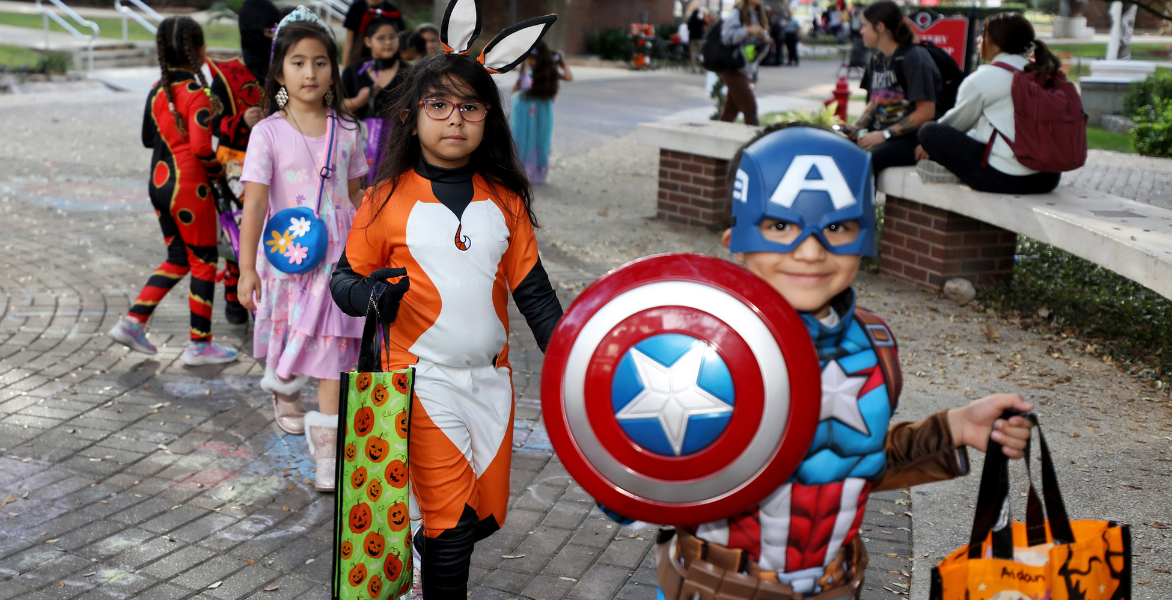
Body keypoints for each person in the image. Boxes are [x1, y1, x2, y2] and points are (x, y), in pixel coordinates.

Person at [641, 124, 1038, 598]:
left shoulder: (872, 343)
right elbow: (632, 484)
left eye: (834, 227)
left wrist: (954, 427)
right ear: (736, 236)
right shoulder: (695, 347)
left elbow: (846, 462)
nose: (810, 251)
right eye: (781, 226)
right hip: (714, 587)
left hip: (837, 584)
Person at [329, 6, 564, 595]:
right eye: (439, 105)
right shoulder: (384, 199)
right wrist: (371, 293)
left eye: (470, 107)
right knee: (453, 524)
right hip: (419, 381)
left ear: (488, 118)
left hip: (492, 385)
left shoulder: (506, 200)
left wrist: (578, 361)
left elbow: (535, 296)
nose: (454, 120)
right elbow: (343, 283)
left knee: (478, 519)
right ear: (412, 116)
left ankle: (421, 546)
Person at [236, 7, 369, 491]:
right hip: (288, 257)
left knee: (335, 355)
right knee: (294, 344)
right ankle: (285, 384)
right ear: (279, 72)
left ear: (333, 69)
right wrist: (246, 270)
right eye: (297, 62)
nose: (309, 72)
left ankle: (328, 456)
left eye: (319, 61)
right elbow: (253, 206)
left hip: (339, 259)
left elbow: (357, 196)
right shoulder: (267, 132)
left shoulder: (349, 130)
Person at [107, 16, 239, 366]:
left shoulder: (157, 90)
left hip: (160, 184)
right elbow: (199, 147)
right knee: (206, 262)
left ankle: (132, 322)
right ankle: (200, 344)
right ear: (199, 50)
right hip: (189, 188)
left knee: (179, 258)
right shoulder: (197, 95)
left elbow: (149, 139)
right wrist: (219, 176)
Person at [916, 13, 1063, 194]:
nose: (978, 40)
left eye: (983, 35)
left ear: (996, 43)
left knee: (929, 132)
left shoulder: (985, 77)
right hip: (1048, 177)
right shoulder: (1043, 73)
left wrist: (927, 144)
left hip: (1008, 177)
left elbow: (955, 125)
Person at [208, 0, 282, 326]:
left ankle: (270, 296)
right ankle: (233, 295)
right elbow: (211, 125)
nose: (273, 37)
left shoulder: (286, 69)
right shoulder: (226, 77)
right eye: (268, 31)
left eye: (277, 31)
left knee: (273, 232)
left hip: (280, 162)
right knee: (240, 233)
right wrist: (241, 120)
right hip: (236, 166)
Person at [841, 0, 942, 175]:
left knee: (864, 161)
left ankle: (864, 203)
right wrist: (854, 128)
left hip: (912, 139)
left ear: (880, 27)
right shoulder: (876, 58)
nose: (861, 31)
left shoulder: (914, 58)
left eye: (865, 26)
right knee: (839, 151)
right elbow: (875, 101)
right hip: (882, 134)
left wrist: (884, 135)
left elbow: (926, 112)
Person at [342, 15, 411, 180]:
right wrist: (359, 101)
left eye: (392, 37)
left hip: (396, 148)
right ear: (368, 42)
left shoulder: (409, 72)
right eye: (381, 38)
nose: (388, 42)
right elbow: (337, 107)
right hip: (358, 146)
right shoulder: (353, 71)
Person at [511, 41, 572, 185]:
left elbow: (568, 77)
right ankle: (517, 171)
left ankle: (533, 171)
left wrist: (562, 63)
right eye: (528, 58)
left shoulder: (548, 73)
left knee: (538, 138)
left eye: (533, 58)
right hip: (522, 111)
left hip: (541, 113)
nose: (530, 61)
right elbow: (516, 88)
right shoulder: (524, 71)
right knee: (519, 138)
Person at [719, 0, 771, 126]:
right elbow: (727, 37)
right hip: (732, 67)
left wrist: (764, 42)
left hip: (745, 69)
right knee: (750, 108)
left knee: (729, 113)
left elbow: (756, 52)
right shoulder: (737, 13)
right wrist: (747, 30)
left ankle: (711, 142)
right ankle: (755, 143)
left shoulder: (759, 16)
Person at [342, 0, 406, 66]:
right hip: (361, 57)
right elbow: (349, 39)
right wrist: (345, 65)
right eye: (381, 38)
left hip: (388, 60)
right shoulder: (356, 7)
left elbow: (401, 36)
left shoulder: (391, 8)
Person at [687, 8, 706, 73]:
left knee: (693, 53)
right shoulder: (700, 21)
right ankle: (702, 68)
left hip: (692, 38)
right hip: (700, 38)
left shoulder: (690, 21)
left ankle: (693, 68)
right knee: (702, 53)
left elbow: (688, 28)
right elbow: (705, 23)